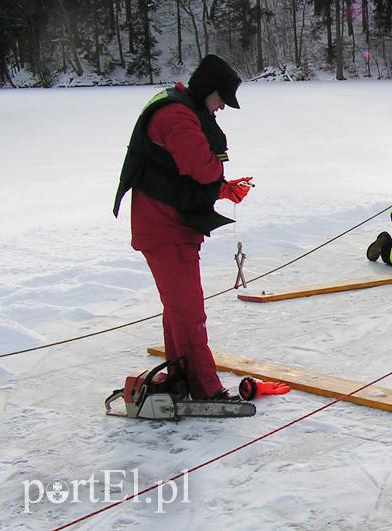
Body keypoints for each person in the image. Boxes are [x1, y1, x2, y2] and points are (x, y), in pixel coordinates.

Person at [113, 54, 254, 400]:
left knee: (179, 308)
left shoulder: (181, 108)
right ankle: (205, 388)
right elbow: (201, 169)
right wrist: (217, 177)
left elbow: (183, 171)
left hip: (168, 224)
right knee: (189, 311)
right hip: (164, 229)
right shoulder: (177, 116)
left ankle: (180, 376)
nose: (221, 108)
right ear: (208, 90)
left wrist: (223, 187)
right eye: (221, 99)